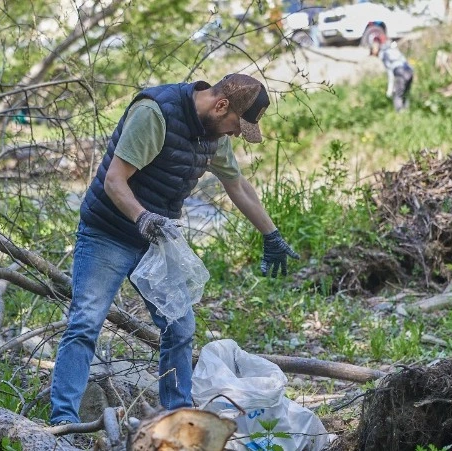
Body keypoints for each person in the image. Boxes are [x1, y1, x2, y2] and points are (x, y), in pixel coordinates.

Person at [49, 74, 301, 426]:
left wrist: (271, 235)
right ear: (221, 105)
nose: (233, 133)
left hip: (155, 240)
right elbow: (114, 180)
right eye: (235, 126)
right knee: (86, 322)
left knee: (179, 327)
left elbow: (237, 185)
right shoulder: (156, 113)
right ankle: (64, 424)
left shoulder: (213, 134)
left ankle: (177, 418)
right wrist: (142, 218)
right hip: (107, 231)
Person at [371, 37, 414, 112]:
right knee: (406, 94)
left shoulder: (383, 54)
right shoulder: (392, 49)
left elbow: (390, 72)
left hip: (400, 71)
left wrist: (389, 90)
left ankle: (400, 116)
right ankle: (408, 114)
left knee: (397, 95)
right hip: (409, 70)